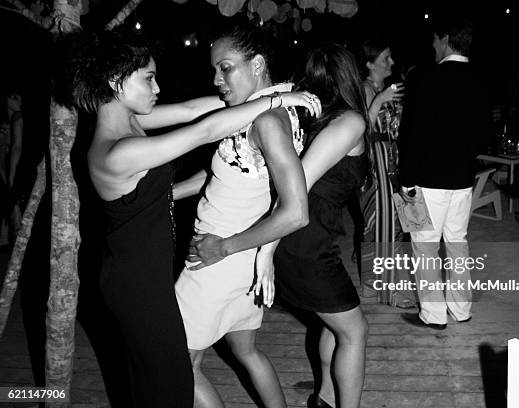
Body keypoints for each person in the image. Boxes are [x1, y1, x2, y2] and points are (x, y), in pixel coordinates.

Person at [71, 30, 319, 408]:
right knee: (169, 382)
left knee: (169, 377)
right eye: (149, 78)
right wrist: (278, 98)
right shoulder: (117, 150)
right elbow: (203, 130)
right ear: (115, 82)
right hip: (135, 282)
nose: (158, 87)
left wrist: (256, 100)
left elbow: (194, 111)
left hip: (149, 268)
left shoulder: (134, 121)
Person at [173, 25, 321, 408]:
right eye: (215, 70)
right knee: (247, 351)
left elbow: (296, 212)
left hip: (218, 258)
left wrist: (222, 247)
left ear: (257, 64)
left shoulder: (268, 121)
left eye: (225, 68)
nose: (217, 79)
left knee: (178, 362)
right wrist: (167, 193)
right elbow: (231, 168)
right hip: (241, 260)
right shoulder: (255, 112)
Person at [267, 42, 370, 408]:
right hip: (302, 245)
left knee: (334, 323)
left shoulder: (318, 119)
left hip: (307, 241)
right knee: (355, 332)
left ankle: (324, 399)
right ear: (350, 76)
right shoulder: (349, 122)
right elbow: (295, 191)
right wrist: (267, 252)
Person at [398, 16, 489, 330]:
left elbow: (410, 136)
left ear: (445, 38)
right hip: (463, 179)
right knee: (457, 243)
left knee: (424, 247)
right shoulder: (480, 79)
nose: (432, 46)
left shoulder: (425, 78)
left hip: (427, 180)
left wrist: (405, 181)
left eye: (435, 40)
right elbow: (482, 135)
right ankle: (461, 309)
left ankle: (433, 315)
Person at [356, 38, 414, 307]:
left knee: (403, 223)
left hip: (395, 160)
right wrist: (380, 99)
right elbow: (359, 129)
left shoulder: (389, 89)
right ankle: (389, 292)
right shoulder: (364, 89)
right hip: (376, 164)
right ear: (369, 64)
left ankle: (371, 283)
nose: (391, 62)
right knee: (384, 228)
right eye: (385, 58)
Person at [0, 89, 23, 246]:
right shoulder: (4, 126)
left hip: (15, 171)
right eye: (14, 97)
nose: (19, 101)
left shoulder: (17, 120)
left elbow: (17, 148)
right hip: (6, 172)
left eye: (19, 97)